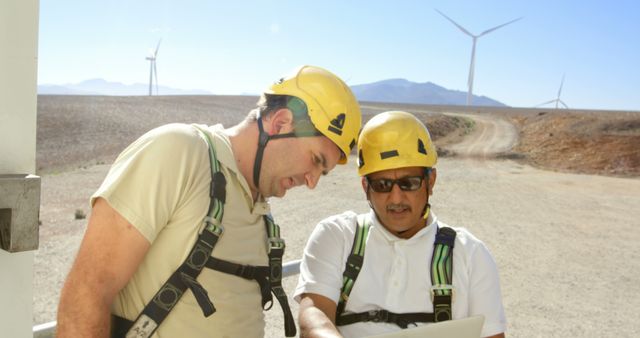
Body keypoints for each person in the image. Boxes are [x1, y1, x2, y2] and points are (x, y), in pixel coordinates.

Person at [56, 65, 362, 338]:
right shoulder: (180, 152)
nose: (312, 182)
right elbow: (87, 292)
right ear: (280, 122)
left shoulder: (261, 213)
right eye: (315, 161)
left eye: (323, 173)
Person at [294, 111, 506, 338]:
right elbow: (313, 316)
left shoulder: (471, 255)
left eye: (409, 183)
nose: (396, 199)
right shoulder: (337, 236)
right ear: (366, 187)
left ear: (430, 181)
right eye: (383, 184)